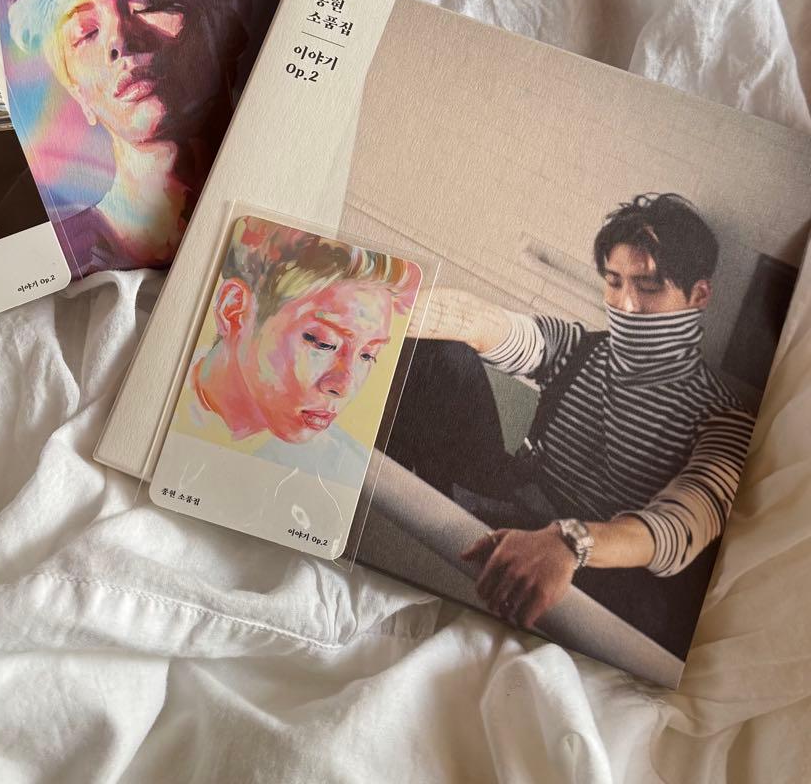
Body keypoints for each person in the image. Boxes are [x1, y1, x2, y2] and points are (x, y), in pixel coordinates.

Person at [400, 193, 754, 652]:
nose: (626, 305)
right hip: (514, 495)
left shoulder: (725, 417)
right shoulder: (581, 348)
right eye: (614, 283)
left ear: (698, 295)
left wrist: (571, 542)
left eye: (648, 287)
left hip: (594, 568)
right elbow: (494, 326)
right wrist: (387, 308)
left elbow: (682, 523)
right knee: (440, 351)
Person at [6, 0, 253, 276]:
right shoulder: (54, 259)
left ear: (215, 23)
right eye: (86, 32)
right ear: (76, 91)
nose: (119, 40)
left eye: (149, 2)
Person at [179, 217, 419, 489]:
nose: (343, 386)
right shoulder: (164, 391)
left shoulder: (342, 474)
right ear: (234, 310)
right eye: (323, 343)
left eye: (368, 355)